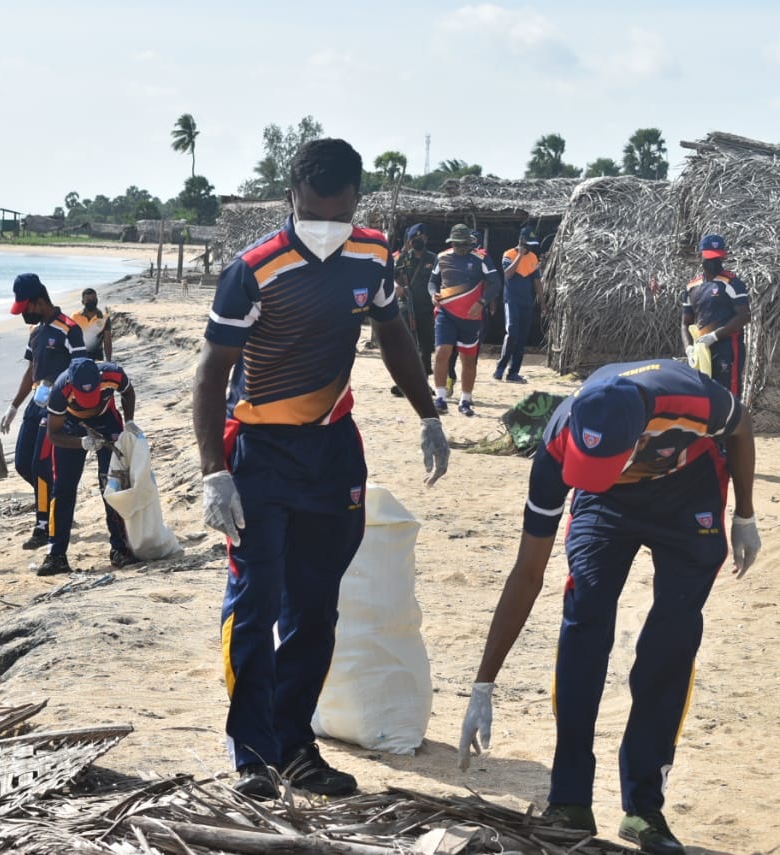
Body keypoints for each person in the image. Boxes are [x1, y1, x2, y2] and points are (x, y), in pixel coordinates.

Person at [193, 138, 450, 800]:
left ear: (356, 203)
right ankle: (251, 751)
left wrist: (427, 414)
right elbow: (211, 371)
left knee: (315, 606)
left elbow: (392, 333)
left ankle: (295, 744)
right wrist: (213, 471)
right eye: (315, 213)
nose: (328, 227)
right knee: (254, 600)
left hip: (333, 452)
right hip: (260, 452)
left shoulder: (372, 253)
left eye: (339, 213)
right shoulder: (254, 269)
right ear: (292, 201)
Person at [458, 358, 760, 854]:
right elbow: (527, 572)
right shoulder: (558, 446)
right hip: (608, 506)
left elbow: (742, 424)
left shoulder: (690, 399)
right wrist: (483, 684)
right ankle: (569, 799)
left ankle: (645, 809)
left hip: (689, 489)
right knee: (585, 621)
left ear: (639, 440)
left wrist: (745, 513)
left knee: (672, 639)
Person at [0, 274, 86, 549]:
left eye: (25, 308)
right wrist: (13, 407)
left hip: (58, 406)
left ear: (38, 301)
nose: (23, 314)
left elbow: (81, 368)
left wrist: (77, 410)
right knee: (24, 464)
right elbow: (30, 369)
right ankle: (54, 505)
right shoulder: (35, 332)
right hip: (35, 403)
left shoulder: (68, 329)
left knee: (40, 465)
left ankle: (42, 525)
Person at [41, 357, 139, 575]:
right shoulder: (60, 390)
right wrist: (81, 443)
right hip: (70, 426)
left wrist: (129, 421)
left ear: (99, 380)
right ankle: (56, 555)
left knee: (113, 484)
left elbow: (128, 392)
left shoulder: (113, 374)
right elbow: (53, 434)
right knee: (63, 489)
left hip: (107, 421)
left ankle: (120, 548)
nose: (89, 399)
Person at [429, 224, 501, 417]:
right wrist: (432, 294)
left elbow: (496, 283)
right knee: (442, 352)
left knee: (468, 360)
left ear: (470, 242)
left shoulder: (481, 258)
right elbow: (432, 281)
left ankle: (465, 399)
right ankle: (441, 398)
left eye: (464, 244)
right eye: (457, 244)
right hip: (445, 313)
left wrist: (482, 302)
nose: (461, 247)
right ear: (451, 242)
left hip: (471, 317)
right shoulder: (442, 257)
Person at [682, 234, 750, 397]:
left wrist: (715, 336)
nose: (715, 264)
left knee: (727, 394)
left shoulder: (732, 283)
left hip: (727, 346)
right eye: (711, 259)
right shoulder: (692, 287)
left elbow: (744, 316)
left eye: (718, 259)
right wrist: (689, 348)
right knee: (703, 393)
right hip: (702, 349)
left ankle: (732, 422)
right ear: (701, 257)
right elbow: (685, 323)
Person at [388, 223, 438, 396]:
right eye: (415, 238)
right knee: (405, 347)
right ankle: (404, 384)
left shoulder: (433, 259)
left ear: (426, 239)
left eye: (421, 238)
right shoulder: (403, 258)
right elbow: (390, 277)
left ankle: (423, 383)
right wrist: (397, 287)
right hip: (406, 308)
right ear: (410, 241)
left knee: (425, 347)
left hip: (425, 309)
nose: (418, 241)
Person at [494, 226, 546, 383]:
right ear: (521, 240)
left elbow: (537, 282)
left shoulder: (533, 258)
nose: (530, 246)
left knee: (522, 338)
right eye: (528, 243)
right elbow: (508, 274)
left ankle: (513, 372)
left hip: (526, 303)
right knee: (512, 333)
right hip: (511, 301)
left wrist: (543, 303)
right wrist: (519, 256)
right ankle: (500, 367)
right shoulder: (508, 254)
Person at [71, 288, 112, 362]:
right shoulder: (75, 317)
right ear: (83, 302)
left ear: (97, 300)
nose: (91, 302)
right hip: (79, 357)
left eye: (93, 299)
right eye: (88, 300)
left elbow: (107, 341)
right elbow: (69, 338)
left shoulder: (104, 318)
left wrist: (109, 361)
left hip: (97, 357)